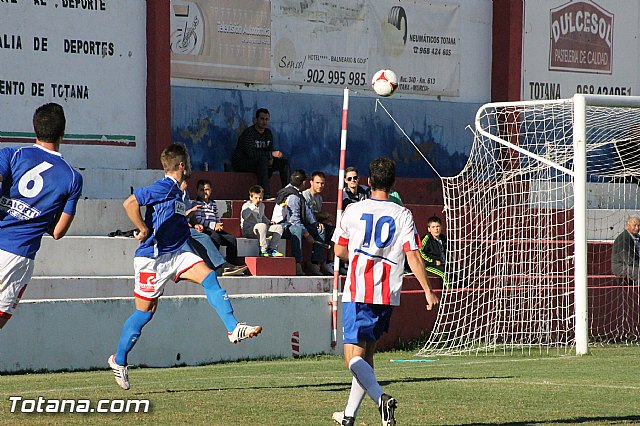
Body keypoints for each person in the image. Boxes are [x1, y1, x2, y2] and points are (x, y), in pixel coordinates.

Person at [108, 143, 261, 390]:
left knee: (210, 277)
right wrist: (144, 229)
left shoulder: (180, 192)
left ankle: (233, 328)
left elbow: (166, 217)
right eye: (187, 162)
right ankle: (119, 360)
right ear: (181, 165)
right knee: (145, 313)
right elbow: (130, 203)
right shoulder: (164, 186)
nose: (190, 166)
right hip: (153, 258)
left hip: (176, 253)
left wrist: (182, 218)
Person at [331, 157, 439, 426]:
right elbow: (412, 255)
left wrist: (358, 254)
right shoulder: (402, 214)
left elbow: (339, 250)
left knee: (351, 359)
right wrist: (427, 289)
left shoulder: (353, 210)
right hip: (387, 293)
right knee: (367, 356)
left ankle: (381, 398)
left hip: (358, 292)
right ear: (392, 185)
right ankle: (348, 416)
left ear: (369, 182)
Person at [0, 103, 83, 329]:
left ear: (34, 128)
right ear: (63, 133)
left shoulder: (12, 154)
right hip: (18, 255)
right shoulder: (72, 178)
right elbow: (58, 232)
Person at [180, 181, 247, 277]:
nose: (204, 192)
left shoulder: (213, 203)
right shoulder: (196, 203)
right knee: (214, 237)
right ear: (197, 191)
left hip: (214, 227)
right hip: (206, 227)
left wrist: (218, 224)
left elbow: (216, 216)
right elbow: (198, 219)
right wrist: (213, 225)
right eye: (201, 190)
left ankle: (231, 264)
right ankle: (216, 266)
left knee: (231, 239)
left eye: (207, 189)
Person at [272, 169, 327, 276]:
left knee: (320, 230)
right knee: (297, 230)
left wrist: (315, 223)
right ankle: (297, 263)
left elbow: (307, 211)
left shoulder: (297, 193)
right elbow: (294, 221)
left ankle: (315, 263)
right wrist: (307, 235)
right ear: (304, 182)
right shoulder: (292, 196)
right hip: (282, 226)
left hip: (292, 224)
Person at [232, 108, 290, 198]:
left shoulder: (268, 133)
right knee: (262, 160)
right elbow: (251, 154)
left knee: (283, 163)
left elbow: (270, 150)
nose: (264, 122)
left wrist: (271, 158)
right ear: (255, 120)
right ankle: (266, 194)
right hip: (245, 163)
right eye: (262, 119)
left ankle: (288, 193)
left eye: (266, 119)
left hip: (263, 163)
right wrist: (270, 155)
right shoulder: (248, 133)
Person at [303, 170, 335, 275]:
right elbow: (307, 215)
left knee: (334, 231)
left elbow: (317, 214)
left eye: (322, 183)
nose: (320, 186)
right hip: (305, 223)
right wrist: (323, 215)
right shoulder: (306, 195)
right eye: (317, 183)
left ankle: (330, 262)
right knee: (321, 230)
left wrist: (325, 217)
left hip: (315, 223)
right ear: (311, 182)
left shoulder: (319, 197)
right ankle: (315, 262)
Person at [240, 185, 284, 257]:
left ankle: (272, 248)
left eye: (260, 198)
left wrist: (269, 222)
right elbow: (244, 215)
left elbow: (262, 216)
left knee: (279, 227)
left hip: (261, 230)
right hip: (249, 230)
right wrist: (253, 206)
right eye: (256, 198)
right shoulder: (246, 205)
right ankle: (263, 249)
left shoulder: (262, 206)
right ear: (251, 197)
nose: (258, 200)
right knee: (262, 225)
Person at [420, 215, 448, 286]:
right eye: (433, 227)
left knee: (459, 272)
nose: (436, 229)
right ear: (429, 229)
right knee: (444, 273)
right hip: (428, 266)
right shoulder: (426, 239)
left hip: (442, 264)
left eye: (438, 226)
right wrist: (433, 262)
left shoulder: (444, 239)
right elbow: (420, 253)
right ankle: (450, 292)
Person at [611, 215, 640, 280]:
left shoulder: (638, 237)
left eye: (638, 225)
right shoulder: (623, 239)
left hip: (634, 265)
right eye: (634, 225)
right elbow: (629, 260)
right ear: (627, 226)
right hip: (621, 266)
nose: (637, 228)